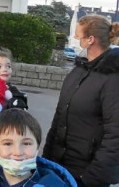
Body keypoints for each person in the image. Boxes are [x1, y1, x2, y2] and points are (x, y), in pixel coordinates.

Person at [43, 15, 119, 187]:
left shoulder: (113, 78)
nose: (74, 39)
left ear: (90, 40)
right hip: (60, 168)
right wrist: (47, 160)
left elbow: (115, 134)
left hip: (86, 175)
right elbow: (59, 117)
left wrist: (91, 178)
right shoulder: (78, 71)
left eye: (78, 35)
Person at [0, 109, 77, 187]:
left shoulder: (54, 184)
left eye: (27, 144)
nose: (18, 152)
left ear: (37, 146)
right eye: (8, 144)